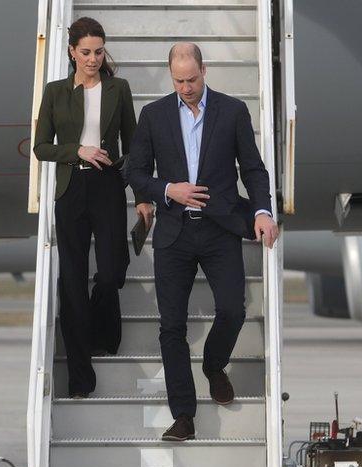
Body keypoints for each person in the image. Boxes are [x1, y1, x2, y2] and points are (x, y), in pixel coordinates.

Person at [126, 42, 280, 441]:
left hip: (219, 227)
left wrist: (263, 212)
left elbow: (253, 168)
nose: (186, 87)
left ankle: (213, 365)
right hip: (175, 231)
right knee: (171, 327)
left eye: (192, 79)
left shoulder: (232, 111)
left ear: (204, 70)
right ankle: (184, 415)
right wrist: (166, 190)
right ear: (170, 75)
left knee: (233, 309)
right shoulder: (154, 115)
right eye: (178, 81)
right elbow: (136, 173)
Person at [34, 17, 153, 398]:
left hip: (107, 185)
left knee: (111, 273)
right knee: (71, 282)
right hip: (71, 187)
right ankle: (81, 378)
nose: (92, 59)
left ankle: (102, 332)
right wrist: (77, 150)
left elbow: (135, 147)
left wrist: (143, 196)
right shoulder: (55, 91)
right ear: (71, 52)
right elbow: (40, 147)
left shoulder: (119, 88)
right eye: (85, 52)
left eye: (98, 52)